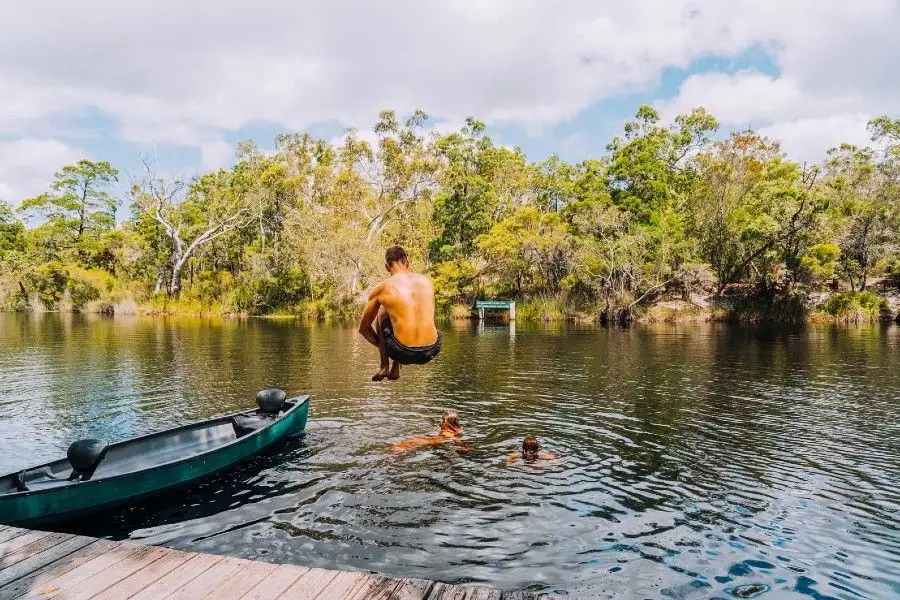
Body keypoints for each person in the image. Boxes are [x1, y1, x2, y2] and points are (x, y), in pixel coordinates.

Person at [358, 246, 442, 382]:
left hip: (402, 352)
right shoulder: (427, 282)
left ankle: (385, 365)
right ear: (407, 262)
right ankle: (395, 368)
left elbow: (364, 329)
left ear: (387, 267)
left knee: (382, 312)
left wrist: (383, 347)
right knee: (404, 313)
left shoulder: (383, 288)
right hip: (432, 349)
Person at [391, 411, 472, 453]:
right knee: (399, 446)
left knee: (399, 447)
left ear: (446, 422)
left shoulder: (446, 433)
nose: (440, 422)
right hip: (424, 442)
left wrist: (467, 447)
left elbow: (456, 441)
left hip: (420, 443)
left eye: (442, 420)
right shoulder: (450, 432)